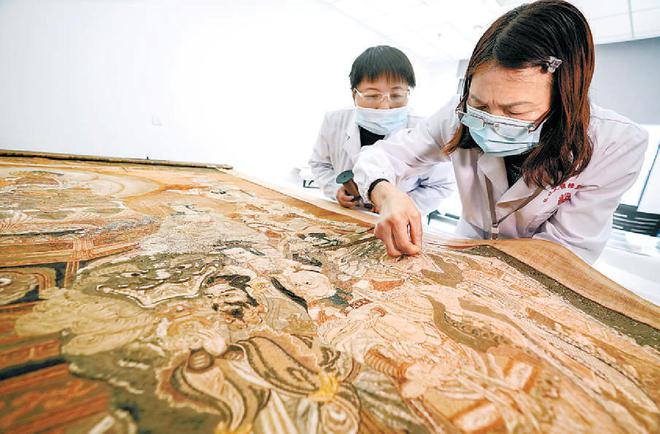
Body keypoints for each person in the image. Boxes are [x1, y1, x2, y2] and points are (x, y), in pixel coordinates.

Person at [353, 0, 648, 264]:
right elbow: (385, 157)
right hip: (468, 244)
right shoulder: (457, 115)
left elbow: (563, 250)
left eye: (515, 111)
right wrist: (386, 193)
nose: (492, 122)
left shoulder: (615, 144)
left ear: (564, 101)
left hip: (541, 270)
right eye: (480, 105)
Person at [309, 45, 455, 216]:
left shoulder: (424, 131)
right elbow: (320, 165)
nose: (385, 106)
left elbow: (441, 186)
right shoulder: (334, 121)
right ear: (354, 95)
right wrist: (335, 190)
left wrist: (399, 206)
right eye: (372, 96)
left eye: (396, 95)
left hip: (398, 222)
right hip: (346, 214)